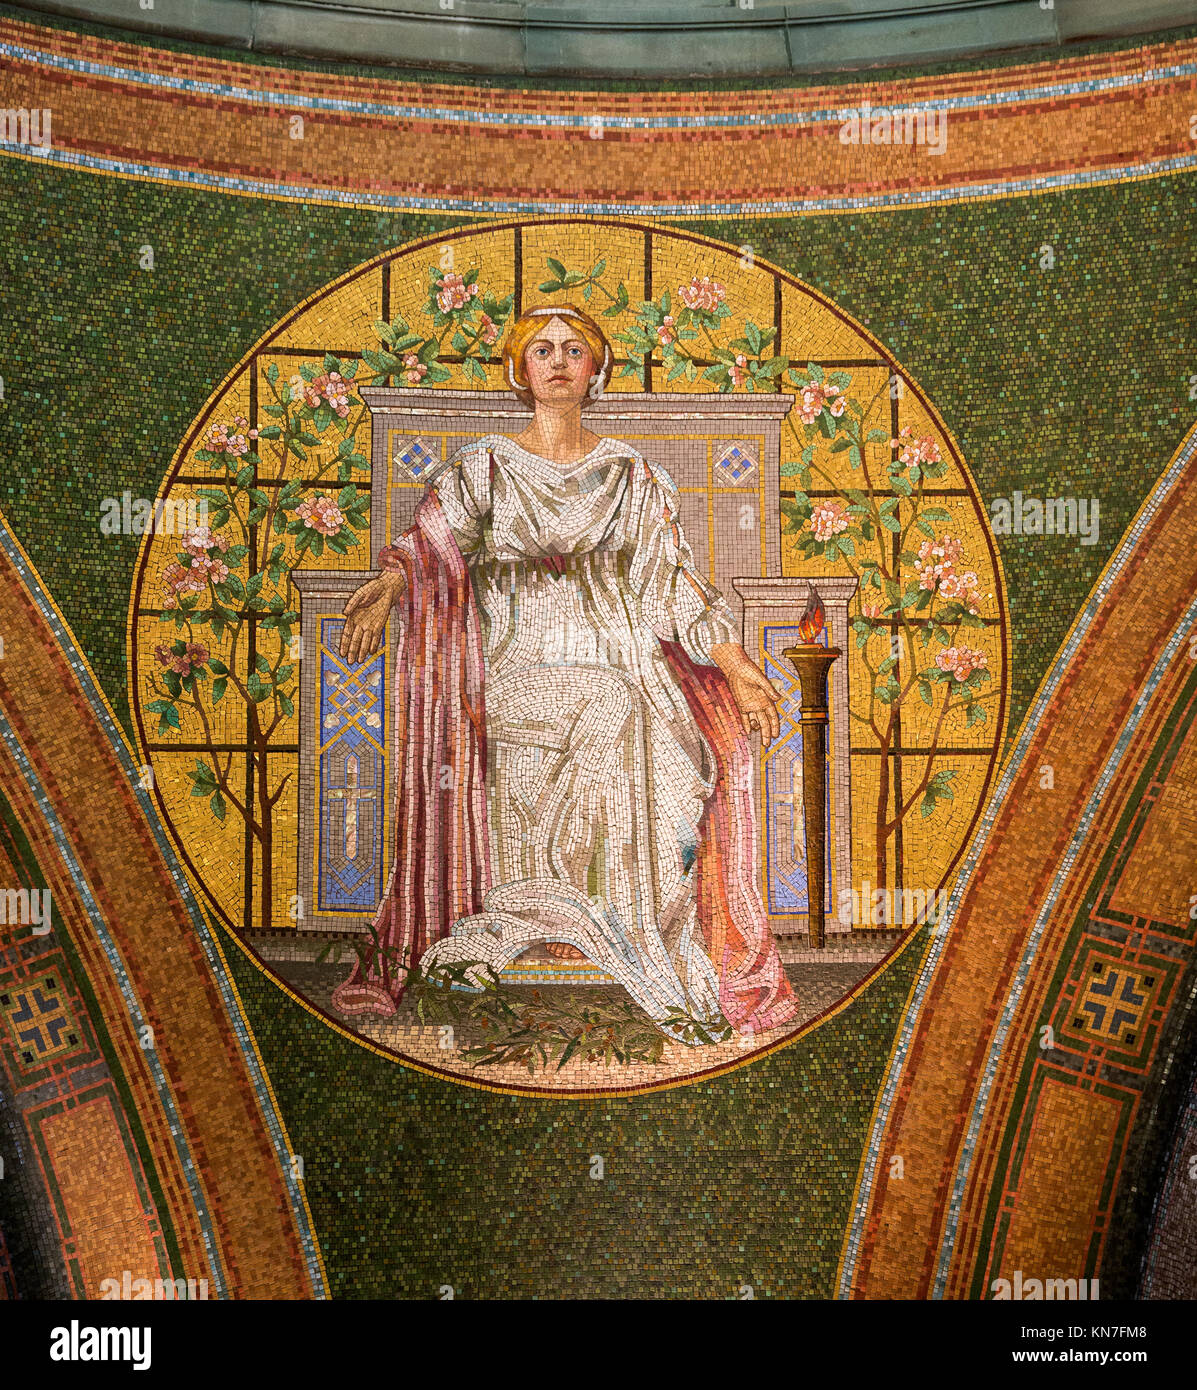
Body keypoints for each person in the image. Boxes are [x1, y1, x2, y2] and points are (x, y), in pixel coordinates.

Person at [331, 304, 797, 1040]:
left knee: (641, 722)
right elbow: (428, 547)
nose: (556, 361)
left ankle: (599, 931)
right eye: (541, 349)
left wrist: (735, 664)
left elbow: (671, 583)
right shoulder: (481, 468)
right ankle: (540, 921)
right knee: (604, 708)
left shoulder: (630, 474)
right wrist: (390, 585)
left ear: (595, 369)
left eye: (572, 350)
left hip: (621, 662)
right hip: (513, 667)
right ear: (520, 369)